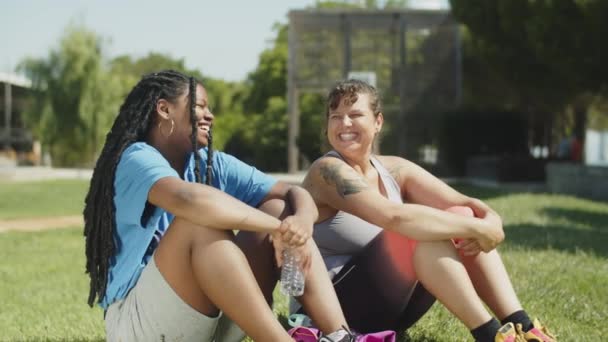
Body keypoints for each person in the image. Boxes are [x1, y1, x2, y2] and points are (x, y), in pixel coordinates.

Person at [83, 70, 358, 342]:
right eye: (199, 106)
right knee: (198, 222)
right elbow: (191, 201)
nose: (210, 115)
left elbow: (292, 192)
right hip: (139, 325)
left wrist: (301, 223)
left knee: (279, 207)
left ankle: (341, 336)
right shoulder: (136, 157)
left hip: (209, 321)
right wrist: (278, 228)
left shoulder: (209, 162)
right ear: (164, 109)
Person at [298, 79, 556, 342]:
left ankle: (522, 325)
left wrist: (492, 220)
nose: (344, 124)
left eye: (355, 115)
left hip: (393, 307)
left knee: (460, 216)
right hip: (334, 311)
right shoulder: (326, 171)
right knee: (417, 231)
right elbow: (394, 217)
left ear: (378, 122)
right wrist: (479, 229)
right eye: (335, 117)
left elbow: (467, 206)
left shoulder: (395, 169)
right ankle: (490, 336)